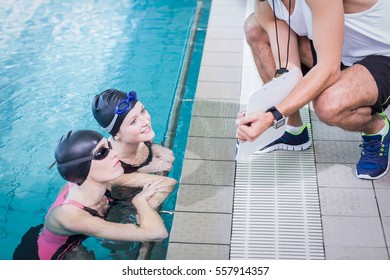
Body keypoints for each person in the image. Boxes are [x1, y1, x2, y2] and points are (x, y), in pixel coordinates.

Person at [236, 0, 390, 179]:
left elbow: (328, 69)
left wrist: (273, 116)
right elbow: (287, 71)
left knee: (329, 105)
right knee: (256, 27)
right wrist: (261, 108)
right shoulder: (265, 4)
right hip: (337, 50)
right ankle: (292, 130)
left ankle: (377, 129)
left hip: (382, 54)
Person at [13, 130, 170, 260]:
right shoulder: (70, 217)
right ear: (83, 168)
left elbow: (165, 181)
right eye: (102, 152)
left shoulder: (94, 181)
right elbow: (157, 233)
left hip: (63, 237)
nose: (115, 153)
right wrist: (140, 200)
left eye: (109, 146)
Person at [92, 89, 175, 175]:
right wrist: (145, 170)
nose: (145, 122)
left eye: (142, 111)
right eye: (133, 122)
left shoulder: (144, 137)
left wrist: (158, 150)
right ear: (116, 134)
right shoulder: (109, 165)